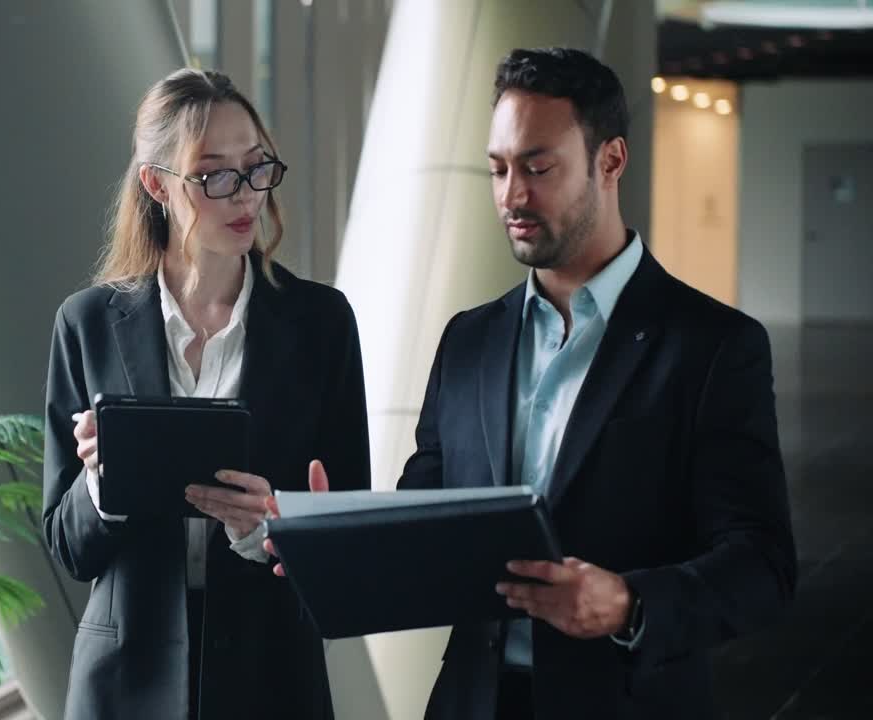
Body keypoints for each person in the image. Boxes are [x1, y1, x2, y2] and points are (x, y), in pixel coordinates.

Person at [278, 48, 796, 719]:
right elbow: (427, 518)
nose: (511, 195)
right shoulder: (468, 340)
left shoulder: (712, 347)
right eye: (497, 169)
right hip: (474, 702)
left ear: (610, 161)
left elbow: (762, 567)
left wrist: (628, 603)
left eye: (537, 167)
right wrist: (330, 536)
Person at [42, 68, 370, 720]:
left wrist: (272, 529)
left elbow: (349, 541)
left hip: (272, 679)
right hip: (123, 687)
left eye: (256, 167)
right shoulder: (87, 325)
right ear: (157, 184)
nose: (245, 195)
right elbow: (68, 548)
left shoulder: (321, 324)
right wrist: (102, 482)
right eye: (215, 175)